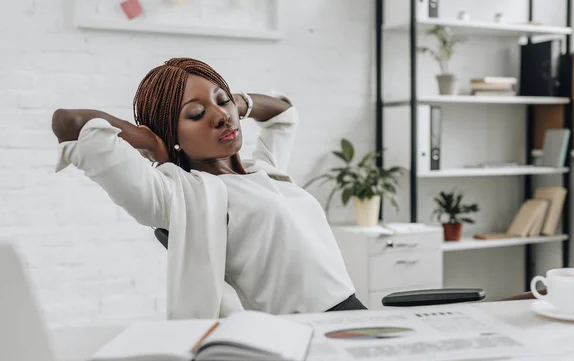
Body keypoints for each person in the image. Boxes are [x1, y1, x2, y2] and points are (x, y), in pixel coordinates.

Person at [52, 58, 365, 319]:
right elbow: (69, 123)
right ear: (171, 132)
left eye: (222, 101)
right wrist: (148, 140)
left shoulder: (264, 170)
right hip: (306, 333)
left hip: (356, 314)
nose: (221, 117)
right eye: (196, 114)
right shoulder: (181, 197)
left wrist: (236, 102)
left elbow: (282, 114)